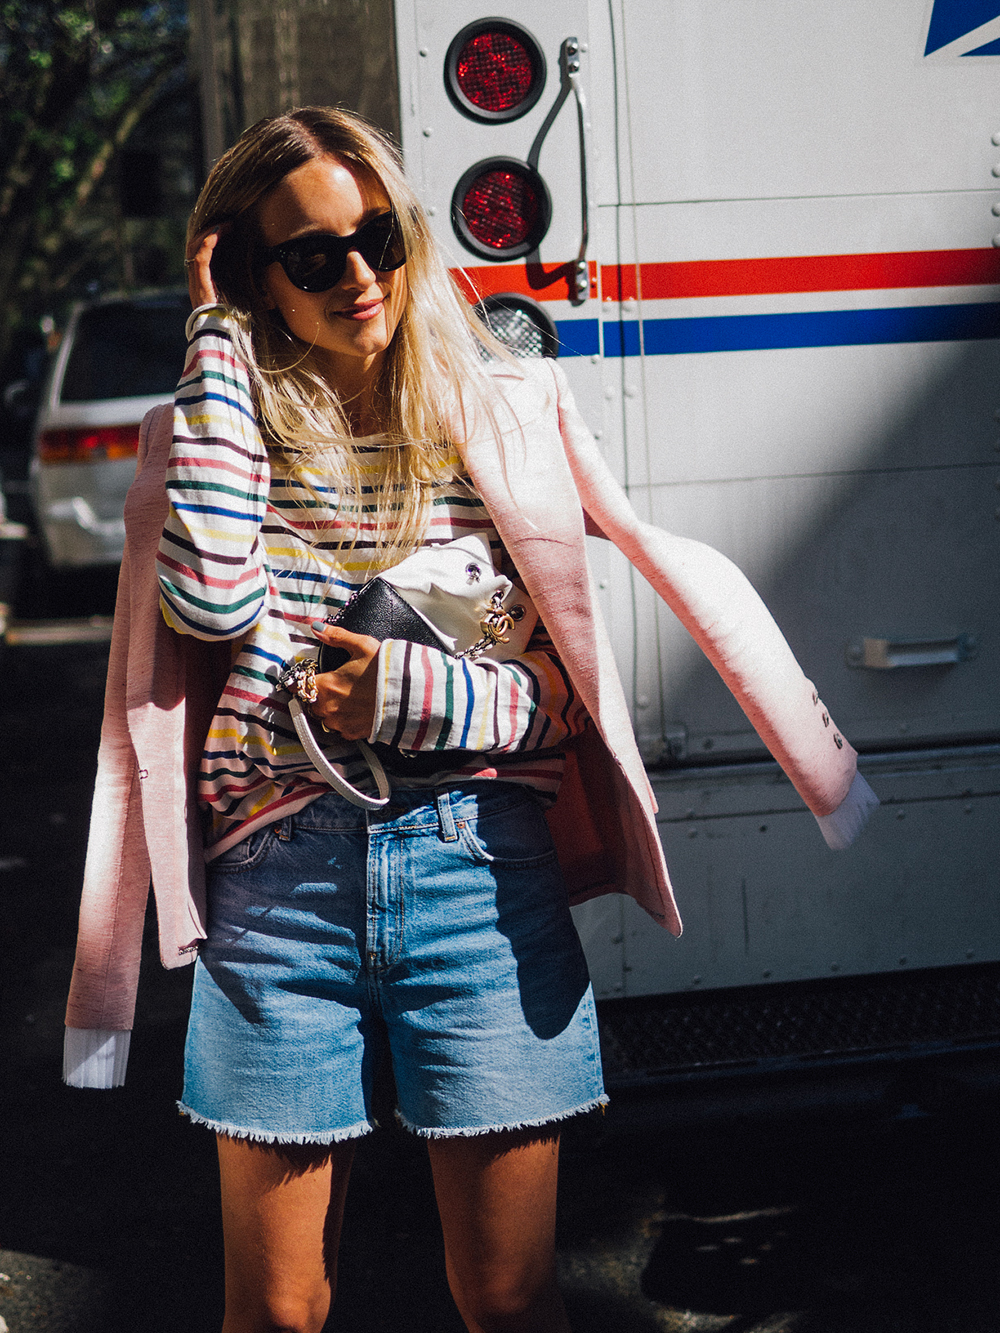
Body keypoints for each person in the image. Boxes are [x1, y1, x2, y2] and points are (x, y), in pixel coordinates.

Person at [63, 107, 876, 1333]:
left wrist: (408, 696)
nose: (358, 275)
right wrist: (217, 338)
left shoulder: (499, 413)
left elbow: (558, 693)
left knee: (505, 1301)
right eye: (309, 256)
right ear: (246, 269)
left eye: (378, 238)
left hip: (472, 877)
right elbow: (213, 593)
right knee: (274, 1313)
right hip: (279, 899)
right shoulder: (201, 433)